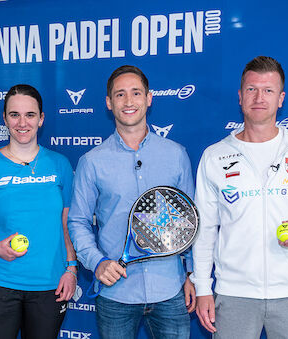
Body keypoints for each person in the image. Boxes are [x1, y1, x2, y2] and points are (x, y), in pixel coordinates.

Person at [191, 56, 288, 339]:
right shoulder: (215, 156)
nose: (259, 97)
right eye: (251, 89)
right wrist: (203, 288)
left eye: (268, 90)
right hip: (233, 294)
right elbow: (204, 229)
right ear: (240, 96)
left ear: (281, 98)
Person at [68, 65, 196, 339]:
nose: (128, 102)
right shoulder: (91, 162)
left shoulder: (176, 155)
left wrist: (191, 274)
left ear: (149, 98)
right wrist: (97, 262)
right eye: (120, 94)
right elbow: (78, 222)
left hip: (170, 290)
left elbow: (190, 221)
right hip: (117, 294)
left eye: (136, 93)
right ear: (108, 103)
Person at [0, 84, 77, 339]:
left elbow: (66, 223)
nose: (22, 122)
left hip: (50, 285)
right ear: (4, 119)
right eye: (14, 114)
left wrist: (71, 268)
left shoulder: (60, 164)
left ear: (41, 118)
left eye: (30, 115)